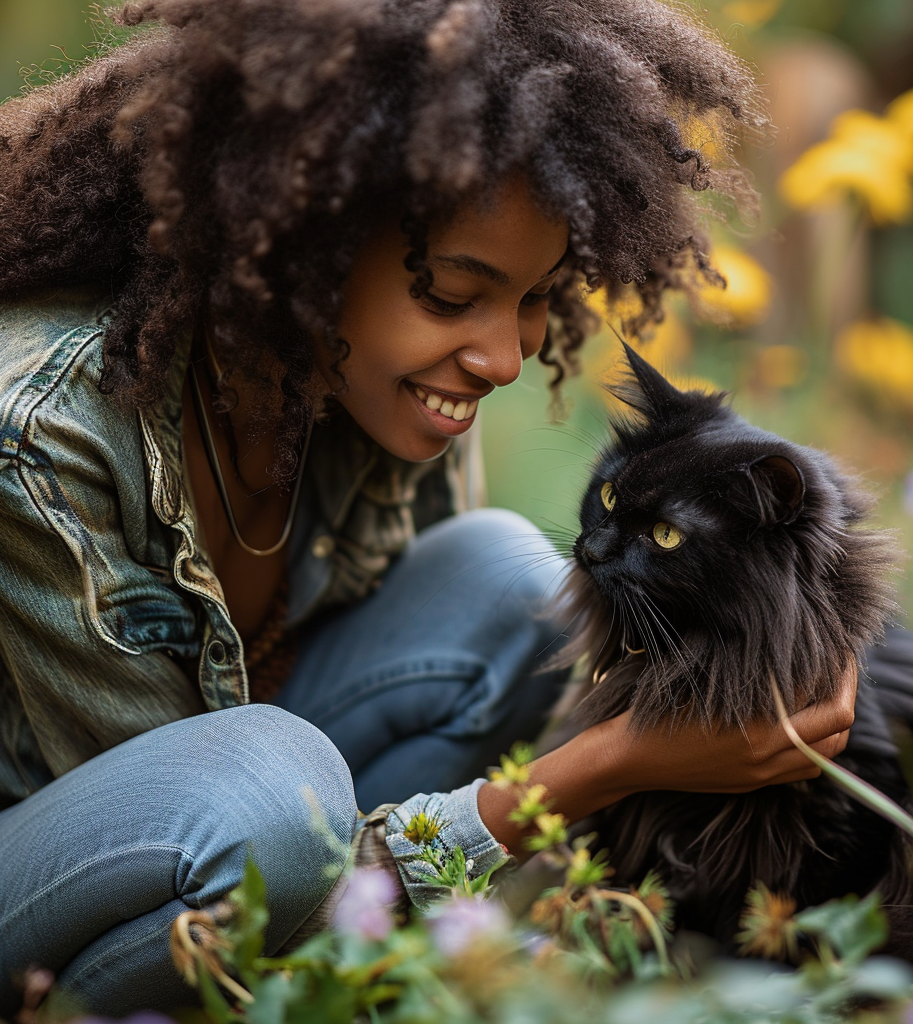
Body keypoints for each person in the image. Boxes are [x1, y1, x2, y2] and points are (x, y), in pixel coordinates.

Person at [0, 0, 858, 1014]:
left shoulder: (363, 382)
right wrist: (603, 766)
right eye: (455, 294)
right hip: (63, 877)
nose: (502, 357)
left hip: (259, 822)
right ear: (302, 251)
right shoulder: (44, 434)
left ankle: (361, 982)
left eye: (536, 295)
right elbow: (190, 841)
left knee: (512, 585)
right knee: (272, 790)